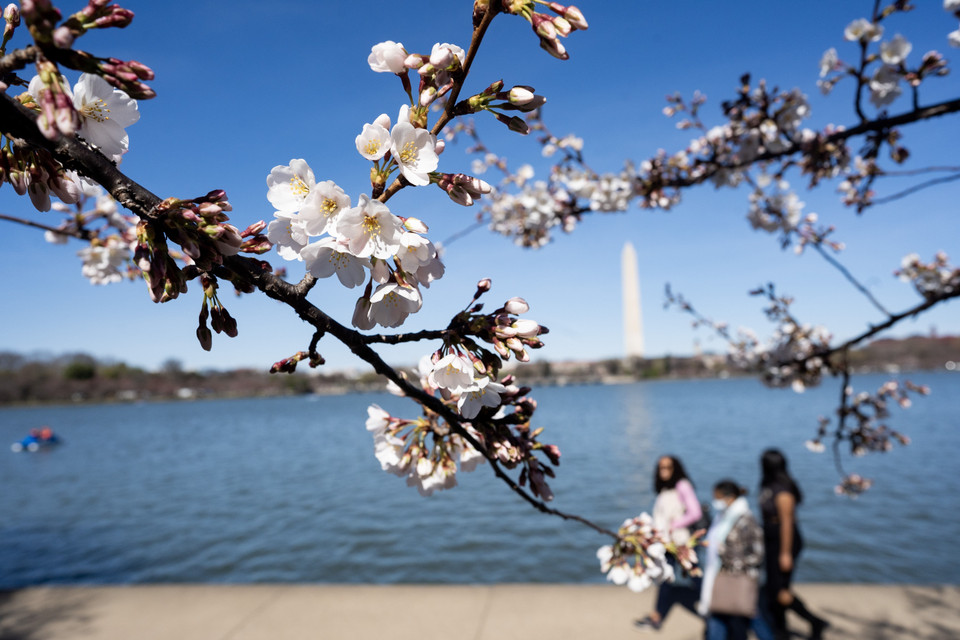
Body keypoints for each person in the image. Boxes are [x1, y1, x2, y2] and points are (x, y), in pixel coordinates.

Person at [759, 449, 829, 640]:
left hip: (785, 543)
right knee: (772, 590)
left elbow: (788, 524)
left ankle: (814, 621)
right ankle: (780, 629)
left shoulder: (783, 491)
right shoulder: (767, 484)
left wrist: (785, 553)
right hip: (771, 542)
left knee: (780, 591)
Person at [635, 455, 703, 632]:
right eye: (661, 468)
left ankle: (713, 610)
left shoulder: (682, 485)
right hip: (665, 543)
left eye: (668, 467)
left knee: (695, 576)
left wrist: (674, 525)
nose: (664, 471)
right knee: (665, 579)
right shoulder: (664, 489)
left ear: (676, 469)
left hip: (681, 542)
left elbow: (695, 512)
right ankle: (657, 616)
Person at [698, 480, 764, 640]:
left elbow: (757, 554)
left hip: (736, 578)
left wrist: (725, 554)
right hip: (720, 576)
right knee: (719, 620)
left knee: (748, 619)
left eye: (718, 497)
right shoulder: (724, 516)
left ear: (730, 497)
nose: (716, 501)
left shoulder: (746, 519)